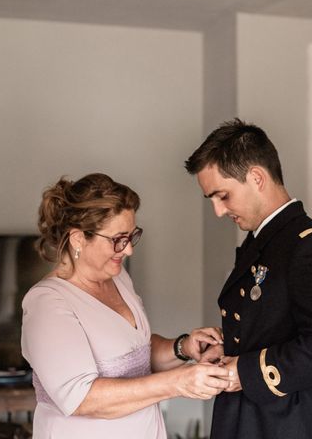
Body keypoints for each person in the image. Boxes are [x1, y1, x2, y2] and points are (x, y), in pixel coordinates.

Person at [185, 119, 312, 439]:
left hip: (285, 421)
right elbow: (274, 321)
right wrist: (231, 349)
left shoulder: (309, 245)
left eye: (222, 196)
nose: (218, 211)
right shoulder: (263, 240)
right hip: (251, 415)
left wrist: (245, 370)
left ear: (256, 177)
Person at [21, 173, 231, 439]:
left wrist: (183, 347)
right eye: (118, 239)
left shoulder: (118, 278)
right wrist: (178, 383)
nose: (128, 250)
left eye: (132, 236)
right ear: (77, 238)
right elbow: (83, 399)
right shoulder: (48, 303)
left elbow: (134, 354)